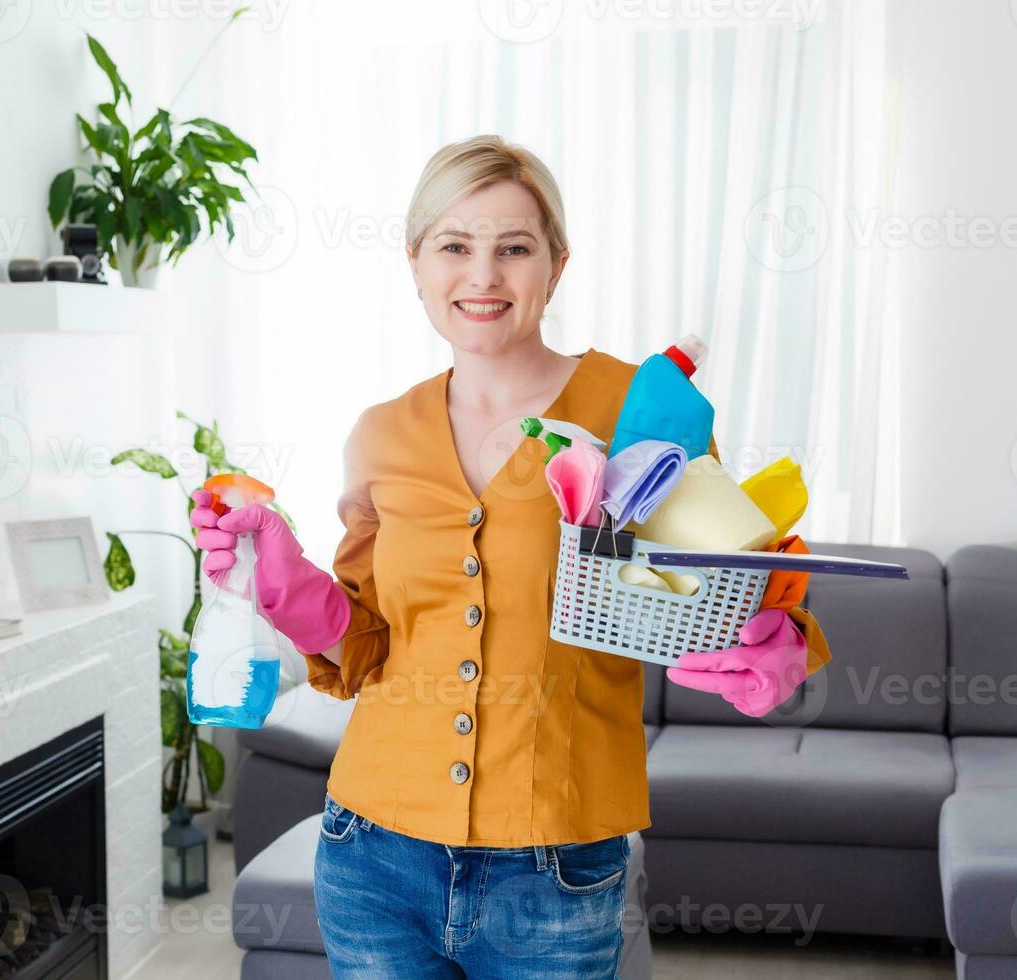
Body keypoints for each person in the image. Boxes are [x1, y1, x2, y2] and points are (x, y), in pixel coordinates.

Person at [189, 134, 833, 979]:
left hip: (556, 868)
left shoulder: (640, 408)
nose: (483, 275)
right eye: (454, 245)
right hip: (372, 852)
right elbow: (365, 643)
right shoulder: (380, 433)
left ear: (556, 264)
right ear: (416, 261)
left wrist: (777, 639)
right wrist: (281, 577)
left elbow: (741, 579)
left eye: (514, 248)